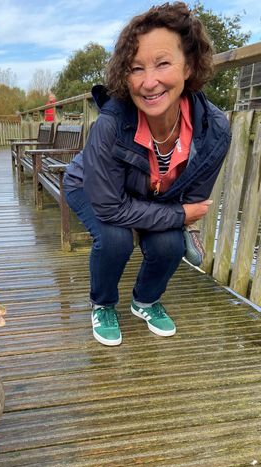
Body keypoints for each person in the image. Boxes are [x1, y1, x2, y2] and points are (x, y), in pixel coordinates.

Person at [63, 2, 231, 346]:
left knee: (170, 243)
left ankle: (145, 300)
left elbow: (191, 201)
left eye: (163, 63)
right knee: (115, 238)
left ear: (190, 66)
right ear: (125, 75)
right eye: (136, 68)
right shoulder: (110, 125)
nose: (149, 82)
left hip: (147, 197)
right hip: (90, 187)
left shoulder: (215, 130)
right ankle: (103, 303)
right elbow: (110, 207)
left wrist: (180, 217)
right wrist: (180, 214)